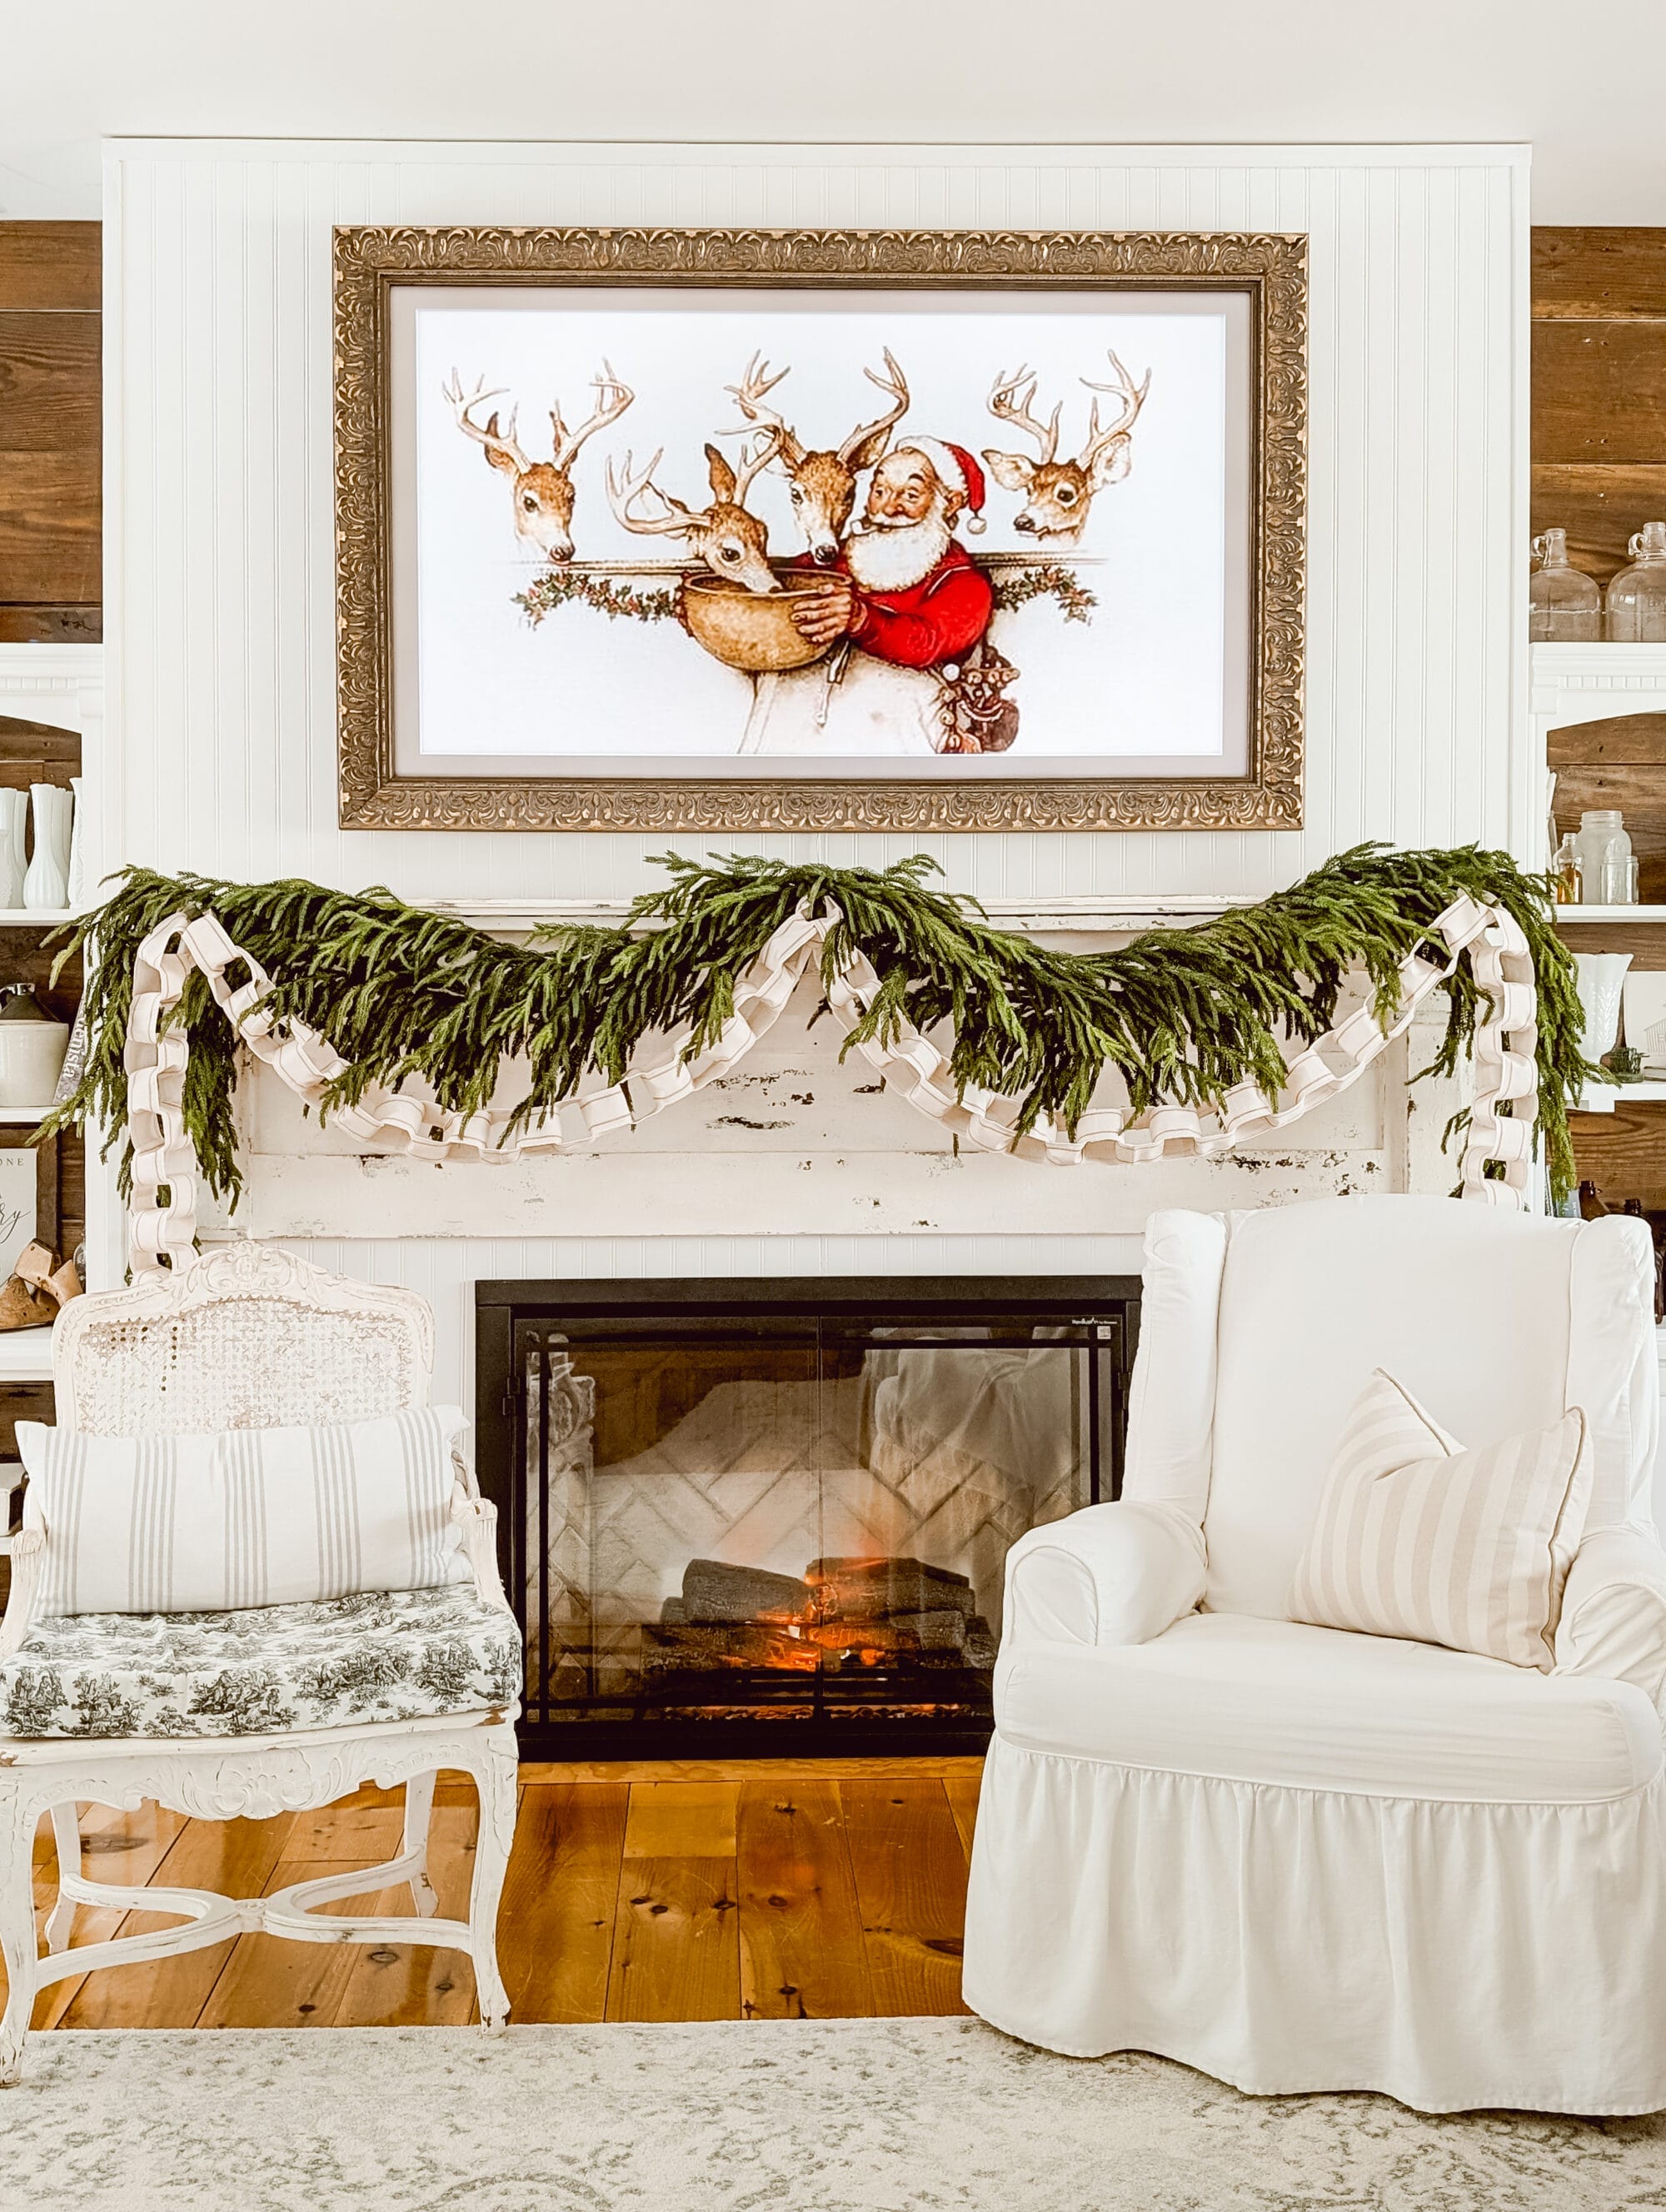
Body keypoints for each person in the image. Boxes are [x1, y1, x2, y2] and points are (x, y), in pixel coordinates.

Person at [737, 440, 996, 757]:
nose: (888, 508)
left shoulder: (963, 583)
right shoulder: (840, 558)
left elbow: (926, 641)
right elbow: (770, 583)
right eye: (880, 491)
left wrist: (861, 619)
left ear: (951, 502)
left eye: (910, 495)